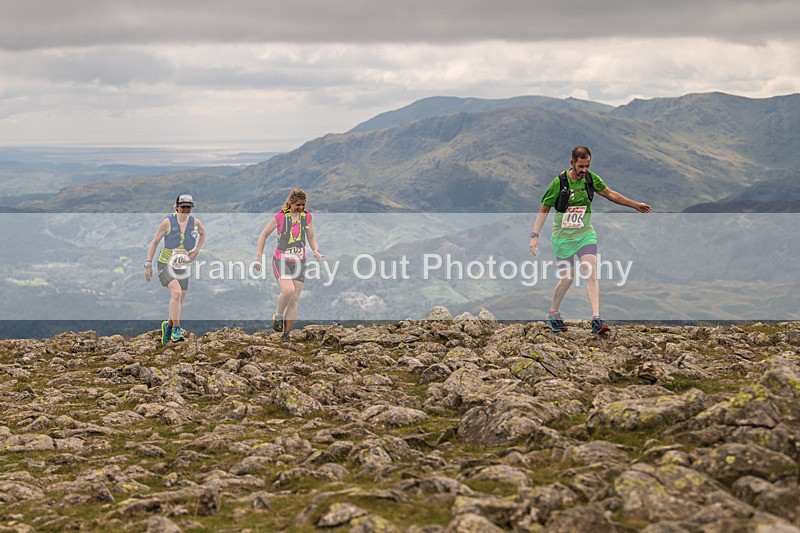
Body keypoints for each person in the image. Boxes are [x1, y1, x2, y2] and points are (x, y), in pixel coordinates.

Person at [529, 146, 651, 334]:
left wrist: (634, 205)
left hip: (585, 234)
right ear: (572, 163)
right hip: (562, 237)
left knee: (591, 271)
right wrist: (535, 236)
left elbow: (611, 194)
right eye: (581, 166)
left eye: (587, 166)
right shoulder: (559, 182)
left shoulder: (591, 179)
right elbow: (544, 208)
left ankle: (596, 318)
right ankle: (553, 313)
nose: (584, 170)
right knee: (567, 278)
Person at [254, 189, 322, 343]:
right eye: (298, 205)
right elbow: (263, 235)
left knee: (295, 298)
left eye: (303, 205)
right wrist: (258, 258)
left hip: (299, 261)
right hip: (281, 260)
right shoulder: (280, 216)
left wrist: (316, 250)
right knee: (288, 291)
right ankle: (278, 316)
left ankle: (286, 334)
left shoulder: (307, 217)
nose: (301, 207)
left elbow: (311, 236)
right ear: (291, 203)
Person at [145, 194, 206, 344]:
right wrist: (148, 264)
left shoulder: (195, 222)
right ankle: (177, 330)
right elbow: (154, 242)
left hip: (182, 265)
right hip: (165, 263)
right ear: (176, 206)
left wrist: (196, 251)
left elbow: (203, 234)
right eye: (183, 207)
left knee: (180, 300)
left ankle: (168, 325)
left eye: (188, 207)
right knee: (176, 293)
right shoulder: (167, 223)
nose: (185, 210)